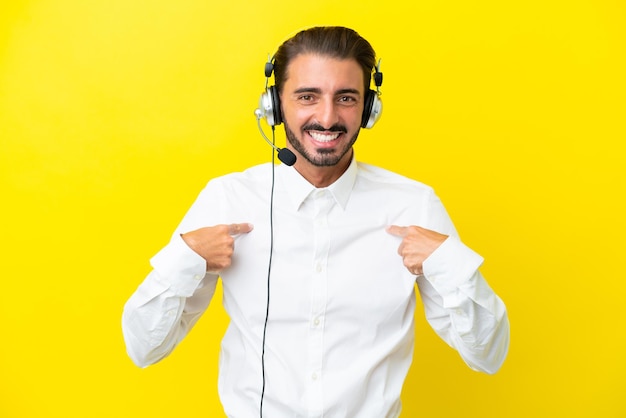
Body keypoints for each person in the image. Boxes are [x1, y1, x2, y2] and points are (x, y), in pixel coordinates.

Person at [122, 26, 510, 417]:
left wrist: (447, 262)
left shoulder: (413, 204)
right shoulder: (229, 199)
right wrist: (186, 257)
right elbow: (144, 348)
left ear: (368, 108)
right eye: (308, 97)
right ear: (274, 105)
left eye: (346, 98)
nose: (327, 117)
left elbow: (488, 355)